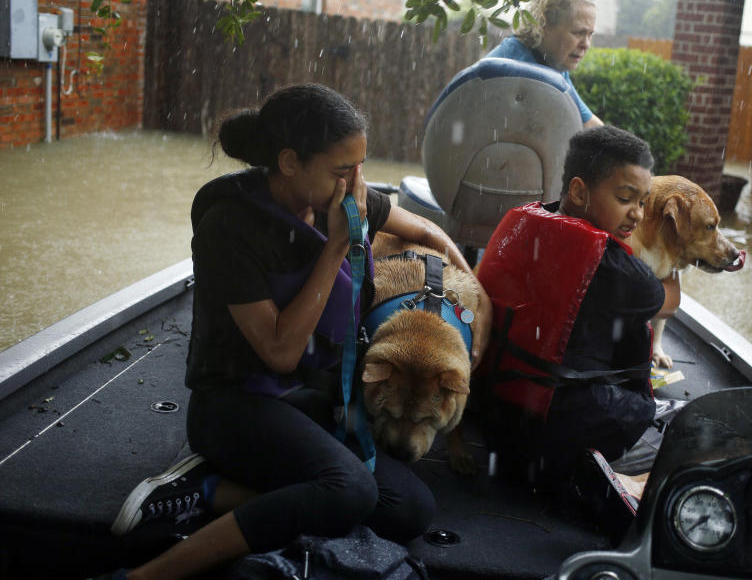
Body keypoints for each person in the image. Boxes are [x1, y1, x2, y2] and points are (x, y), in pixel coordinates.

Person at [106, 83, 491, 580]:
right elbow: (280, 353)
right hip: (236, 404)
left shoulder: (346, 197)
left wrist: (477, 299)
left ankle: (219, 492)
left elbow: (429, 233)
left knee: (409, 508)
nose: (357, 183)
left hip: (312, 398)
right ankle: (152, 566)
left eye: (361, 168)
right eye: (341, 170)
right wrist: (336, 247)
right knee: (350, 491)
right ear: (290, 162)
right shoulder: (231, 225)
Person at [475, 125, 680, 494]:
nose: (636, 214)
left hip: (494, 426)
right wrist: (675, 251)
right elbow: (666, 301)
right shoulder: (616, 270)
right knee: (691, 433)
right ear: (579, 191)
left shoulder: (528, 218)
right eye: (625, 198)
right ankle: (617, 480)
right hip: (551, 441)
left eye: (643, 202)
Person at [485, 0, 603, 128]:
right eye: (578, 33)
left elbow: (589, 124)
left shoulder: (551, 61)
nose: (586, 44)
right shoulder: (522, 69)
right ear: (544, 24)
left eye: (590, 34)